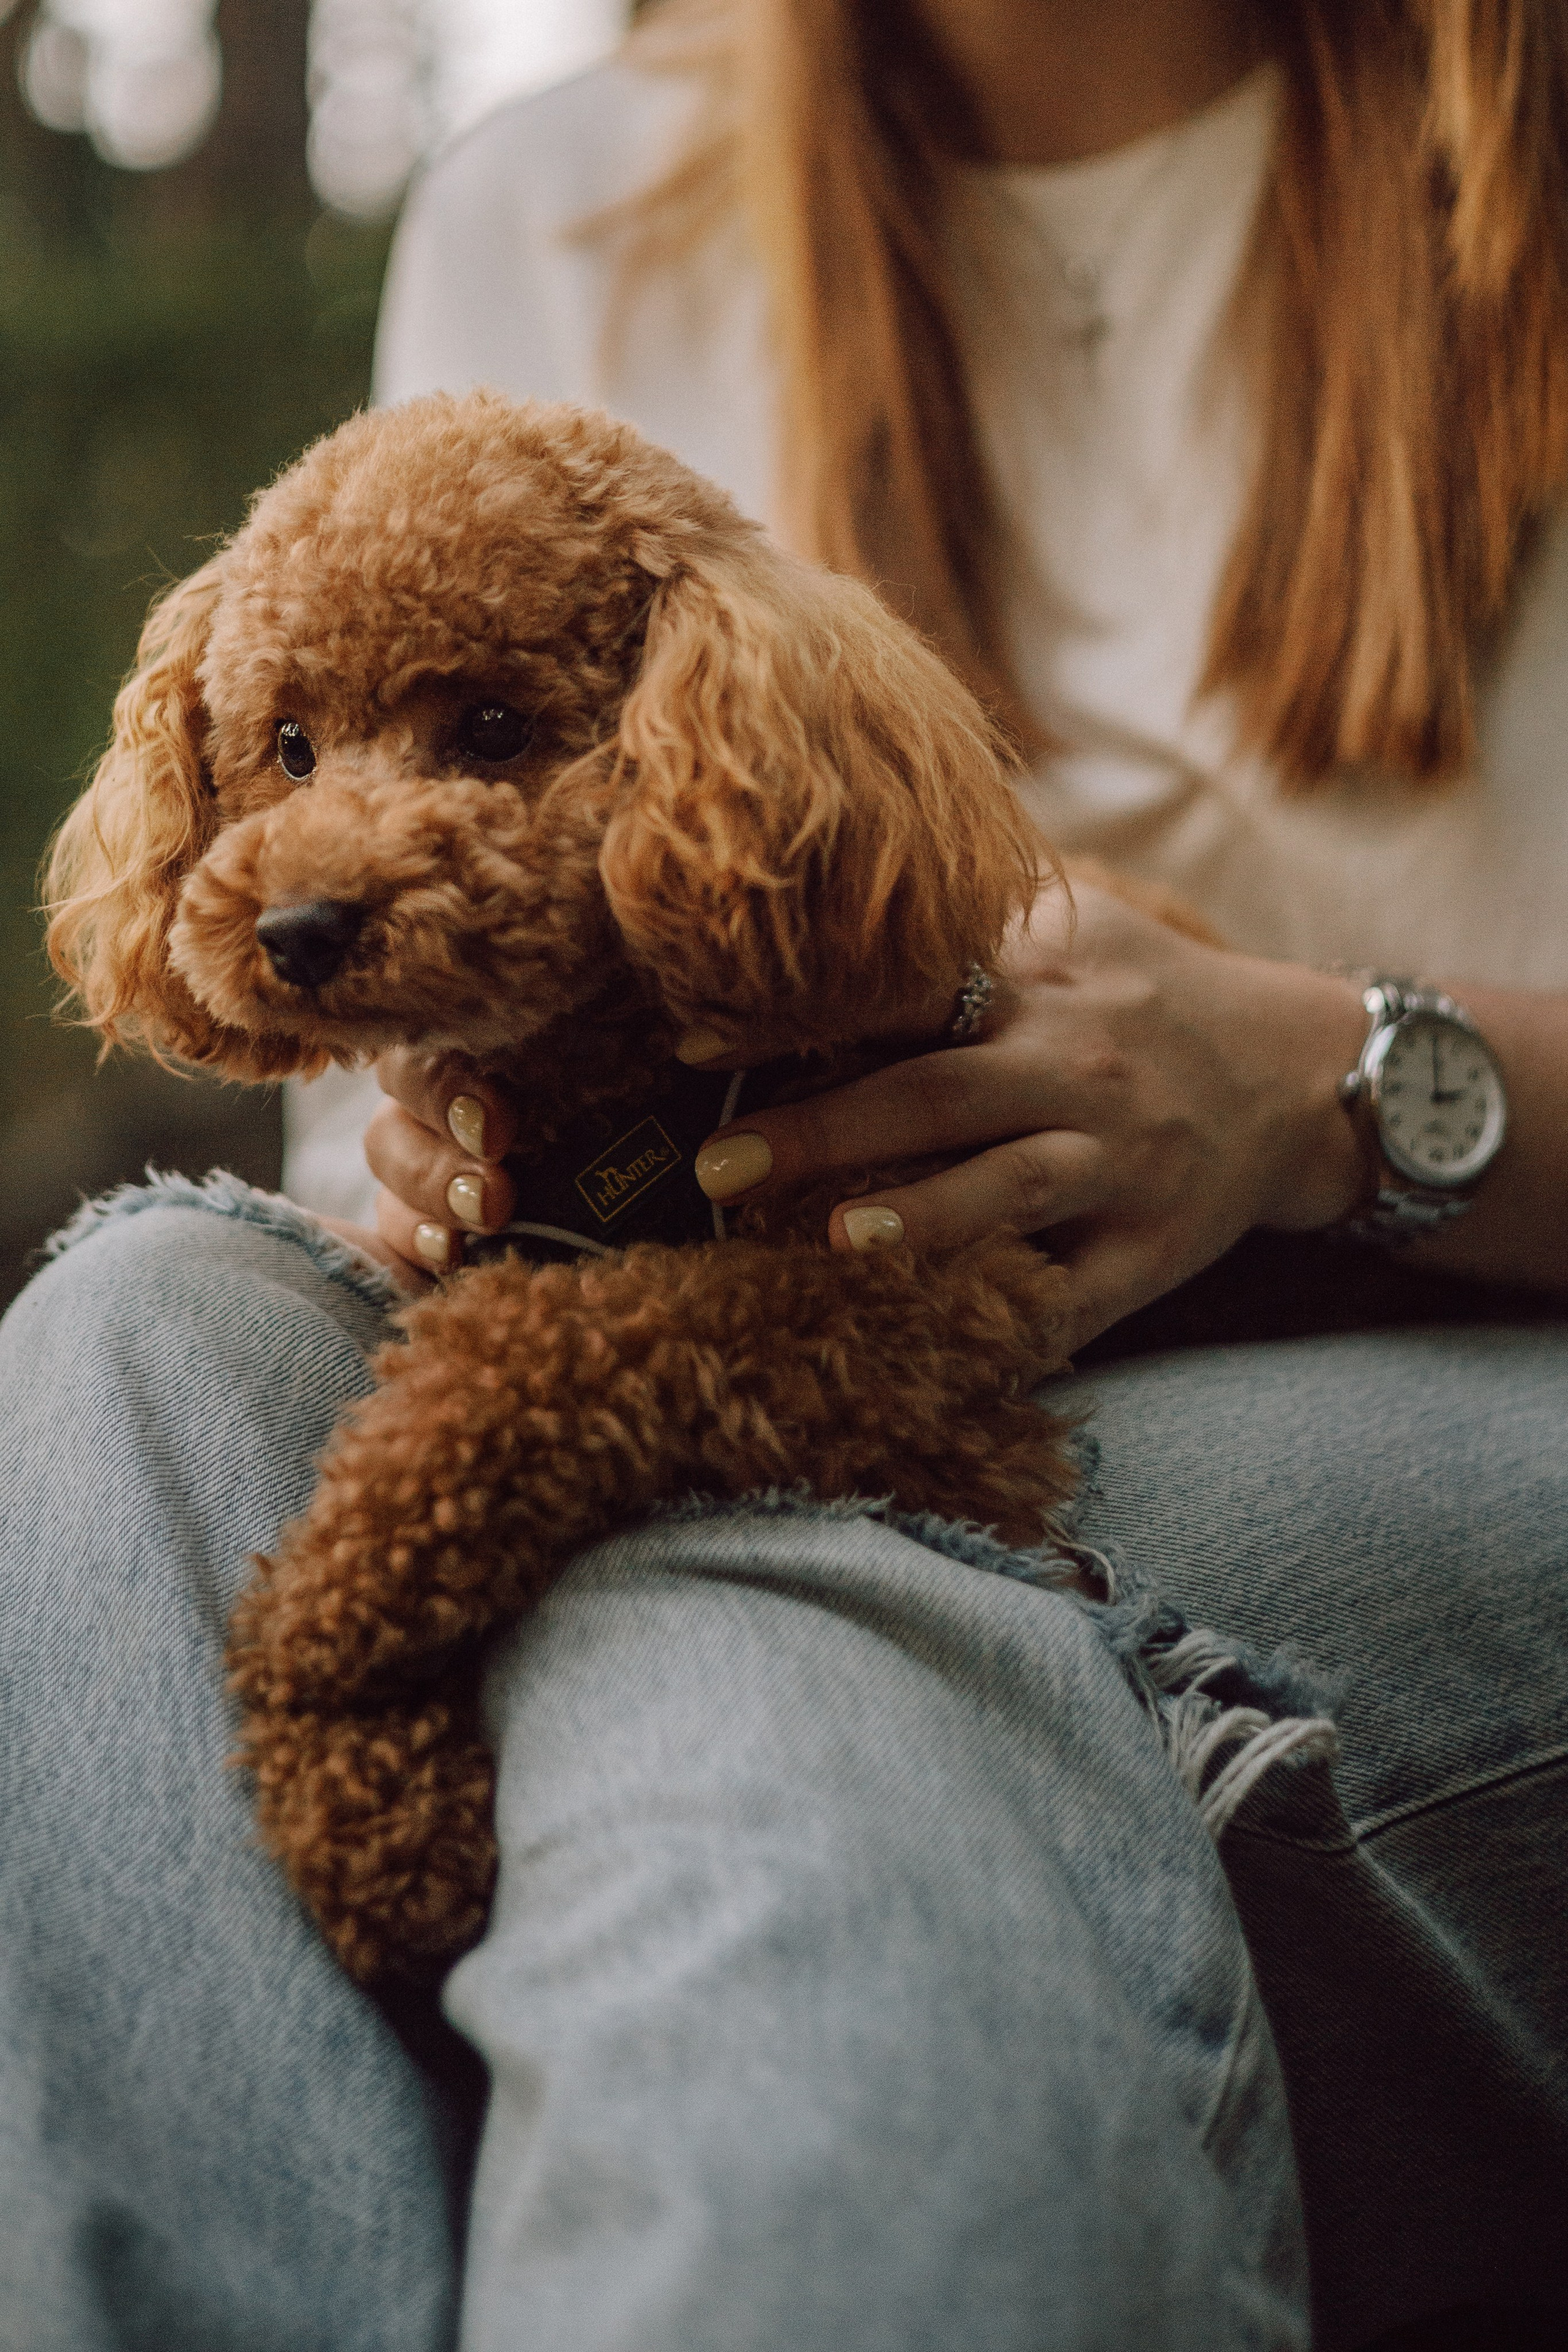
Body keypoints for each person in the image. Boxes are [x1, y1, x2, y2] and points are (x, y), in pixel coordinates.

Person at [4, 5, 1566, 2349]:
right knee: (135, 1327)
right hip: (711, 1254)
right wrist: (441, 1162)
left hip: (1448, 1338)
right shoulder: (563, 195)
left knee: (749, 1584)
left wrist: (1337, 1087)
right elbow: (365, 1138)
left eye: (487, 732)